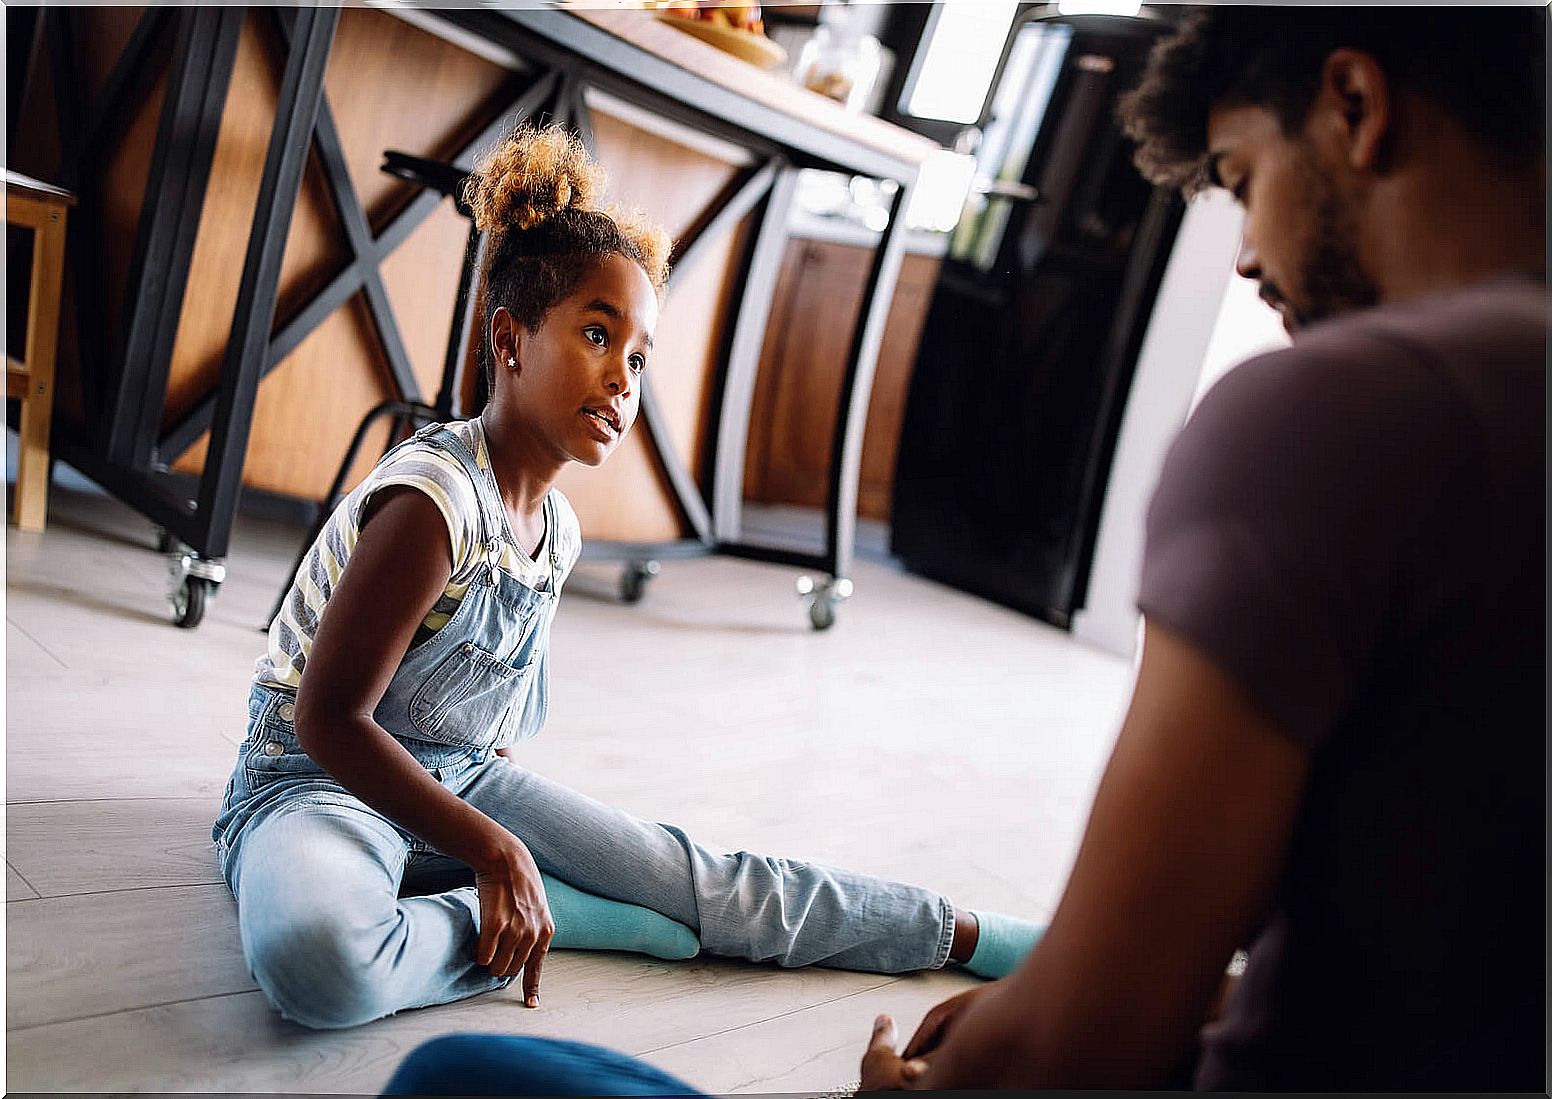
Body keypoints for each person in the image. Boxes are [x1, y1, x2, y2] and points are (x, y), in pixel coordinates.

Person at [375, 5, 1544, 1092]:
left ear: (1353, 105)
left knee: (453, 1079)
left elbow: (1079, 1047)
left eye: (1242, 181)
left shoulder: (1324, 425)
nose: (1244, 255)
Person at [210, 124, 1041, 1032]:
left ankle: (962, 934)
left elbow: (490, 729)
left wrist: (517, 830)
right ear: (510, 339)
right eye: (597, 334)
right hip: (319, 785)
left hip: (460, 784)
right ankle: (560, 919)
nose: (621, 376)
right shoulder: (432, 502)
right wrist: (496, 853)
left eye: (639, 357)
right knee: (320, 961)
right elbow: (326, 721)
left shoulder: (556, 530)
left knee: (699, 880)